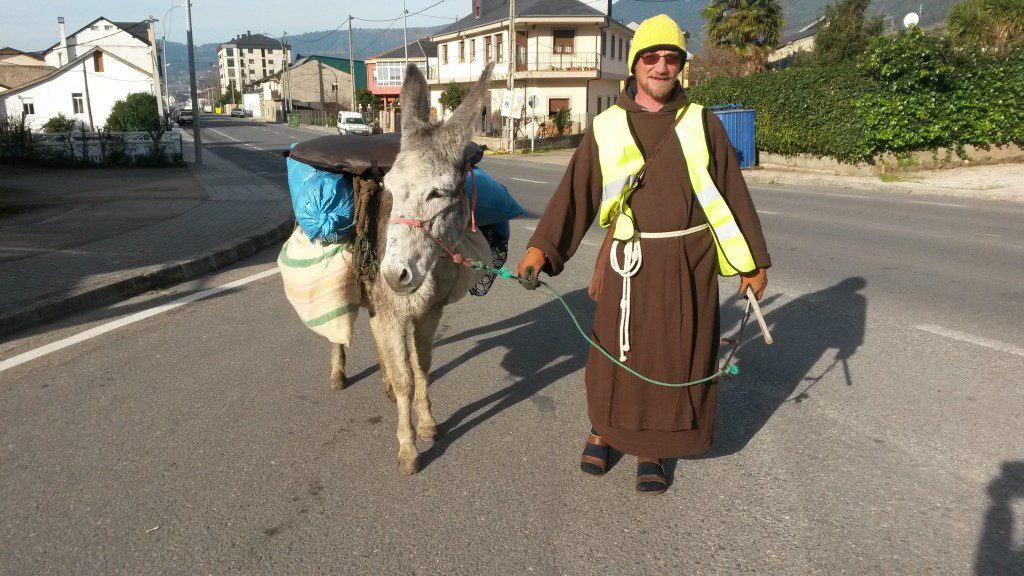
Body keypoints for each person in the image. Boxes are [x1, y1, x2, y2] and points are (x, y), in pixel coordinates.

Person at [516, 14, 771, 494]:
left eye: (670, 58)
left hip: (687, 264)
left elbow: (733, 194)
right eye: (650, 58)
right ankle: (603, 430)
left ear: (680, 67)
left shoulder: (704, 124)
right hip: (626, 264)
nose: (660, 67)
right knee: (613, 353)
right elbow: (576, 194)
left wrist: (754, 261)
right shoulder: (606, 127)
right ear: (634, 66)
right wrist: (540, 250)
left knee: (673, 357)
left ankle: (653, 446)